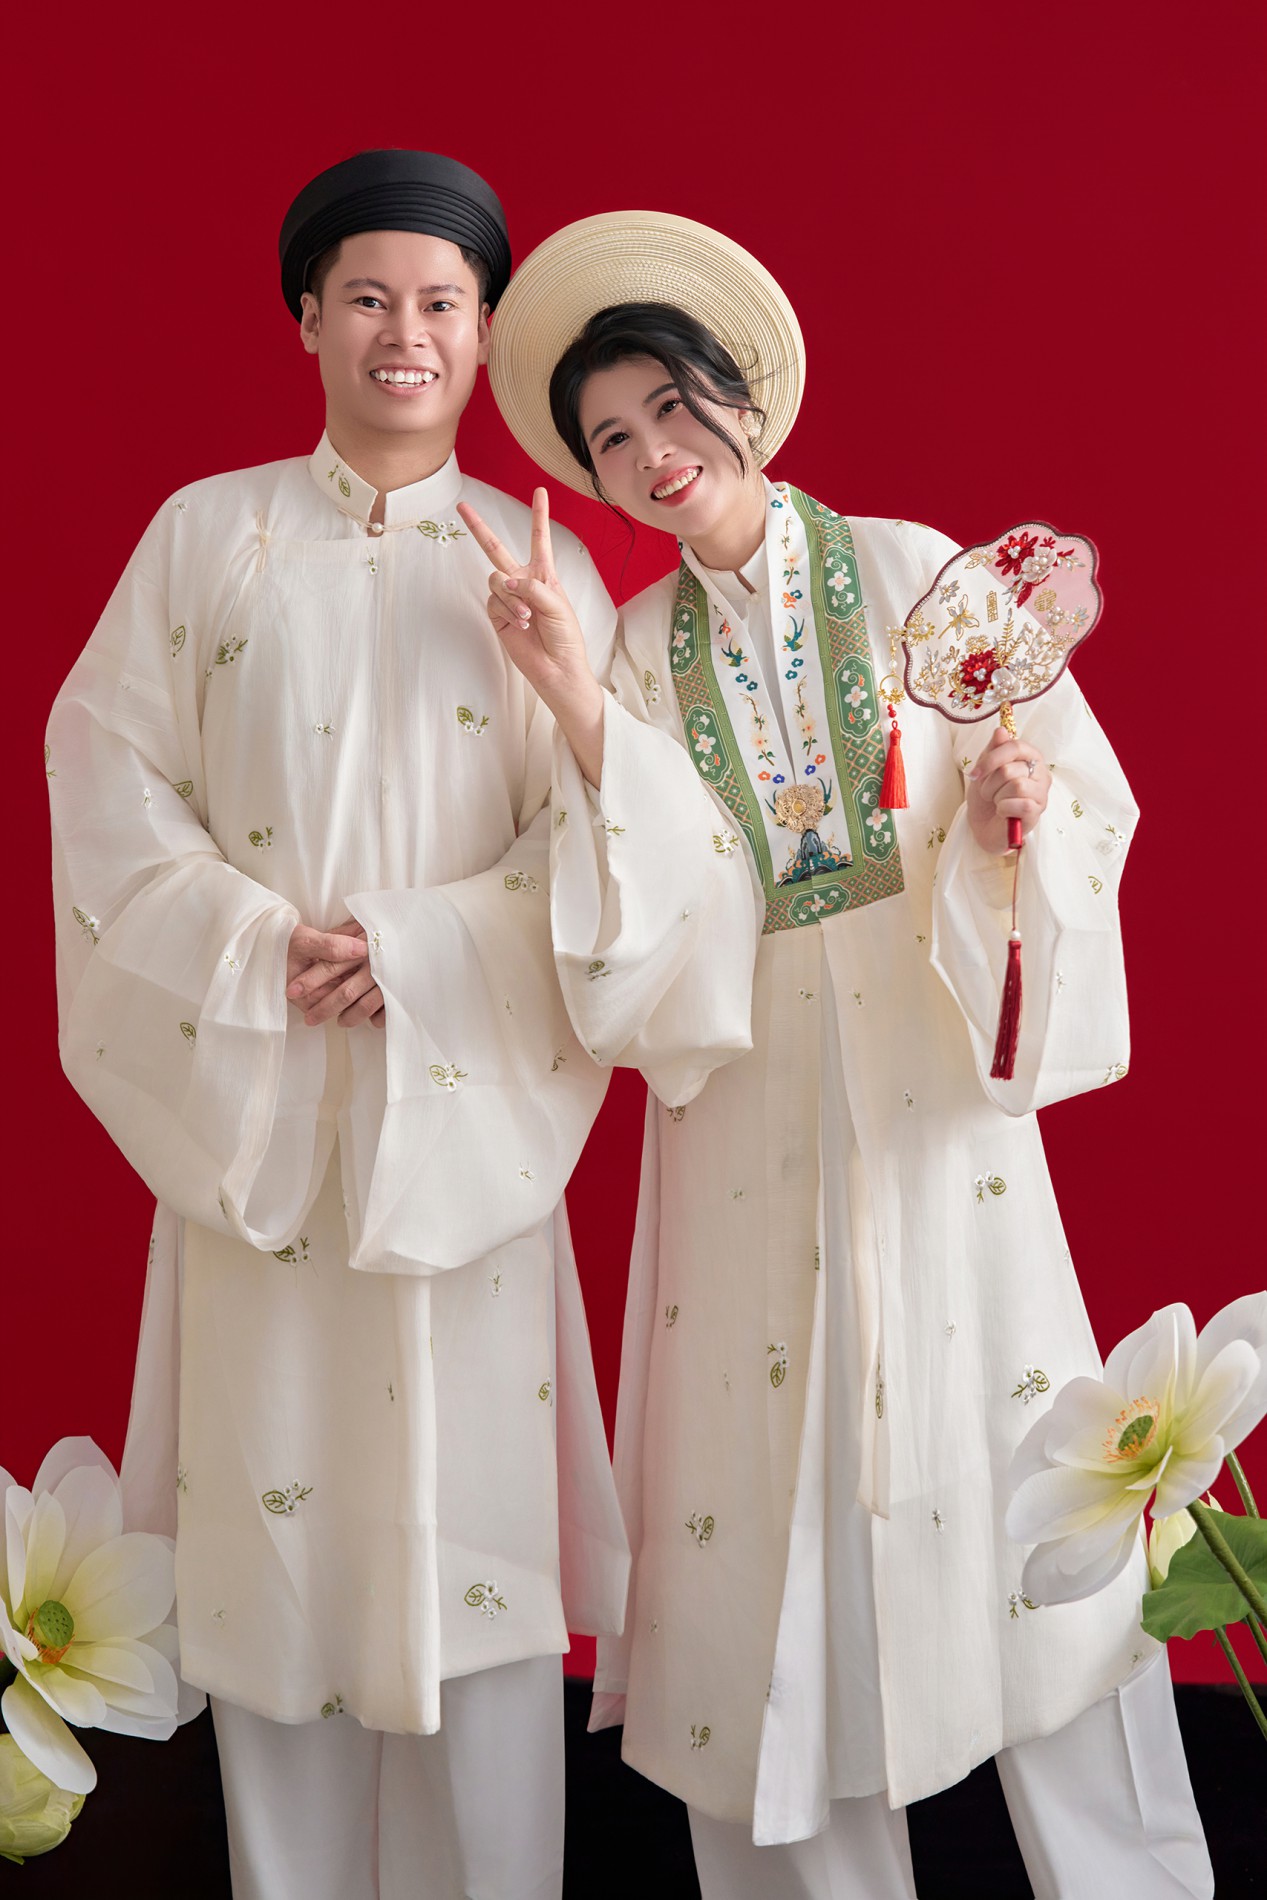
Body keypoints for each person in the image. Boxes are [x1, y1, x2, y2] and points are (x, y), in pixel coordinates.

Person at [459, 212, 1214, 1898]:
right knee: (755, 1494)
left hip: (930, 1061)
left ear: (739, 393)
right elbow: (640, 905)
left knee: (1027, 1461)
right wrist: (576, 699)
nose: (654, 454)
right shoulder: (630, 648)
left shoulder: (906, 568)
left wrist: (1019, 821)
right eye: (611, 438)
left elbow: (1072, 796)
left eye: (672, 406)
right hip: (746, 1099)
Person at [45, 153, 628, 1900]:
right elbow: (105, 774)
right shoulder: (204, 536)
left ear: (485, 331)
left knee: (475, 1565)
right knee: (274, 1556)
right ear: (307, 317)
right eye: (368, 296)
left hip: (460, 1120)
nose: (405, 333)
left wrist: (421, 945)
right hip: (264, 1111)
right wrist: (248, 943)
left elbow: (605, 835)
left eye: (441, 302)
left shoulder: (541, 563)